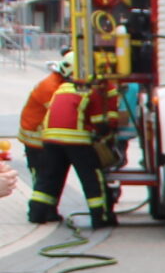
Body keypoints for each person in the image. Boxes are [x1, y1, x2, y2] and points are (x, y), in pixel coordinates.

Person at [29, 72, 119, 229]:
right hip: (77, 141)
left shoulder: (62, 88)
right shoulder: (93, 90)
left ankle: (37, 214)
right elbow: (99, 122)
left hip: (50, 139)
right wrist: (106, 135)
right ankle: (100, 218)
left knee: (48, 177)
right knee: (92, 179)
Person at [20, 55, 70, 223]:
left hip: (43, 137)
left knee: (50, 175)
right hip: (36, 139)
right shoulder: (51, 87)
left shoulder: (57, 82)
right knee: (43, 176)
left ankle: (49, 210)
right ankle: (42, 211)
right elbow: (58, 113)